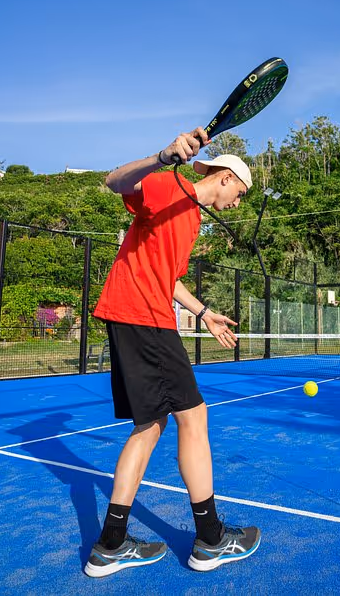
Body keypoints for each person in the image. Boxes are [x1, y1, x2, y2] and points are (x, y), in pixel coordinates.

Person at [85, 130, 261, 578]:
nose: (237, 204)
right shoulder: (169, 186)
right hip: (142, 317)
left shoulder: (192, 218)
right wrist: (163, 156)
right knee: (193, 417)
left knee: (148, 428)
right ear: (224, 179)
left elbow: (168, 279)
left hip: (139, 315)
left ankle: (110, 544)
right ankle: (210, 540)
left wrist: (204, 312)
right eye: (239, 194)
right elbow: (114, 181)